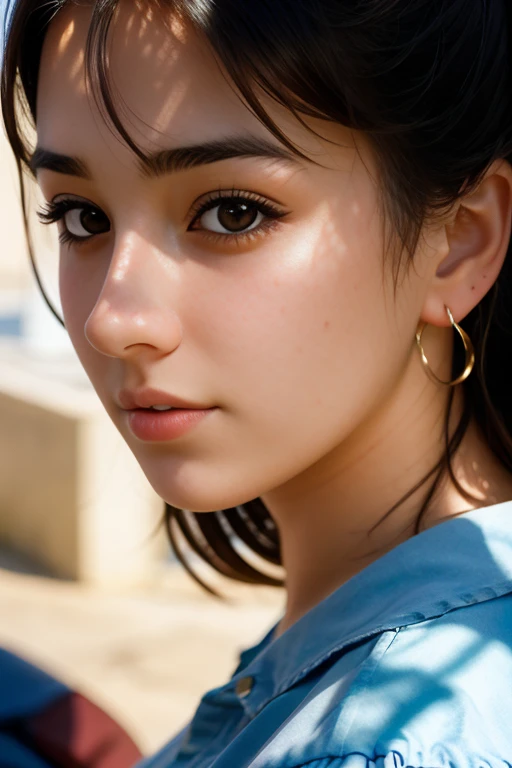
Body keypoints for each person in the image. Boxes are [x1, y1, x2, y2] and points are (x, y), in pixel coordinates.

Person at [2, 0, 512, 764]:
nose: (113, 319)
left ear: (458, 245)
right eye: (81, 218)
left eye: (232, 212)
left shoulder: (386, 741)